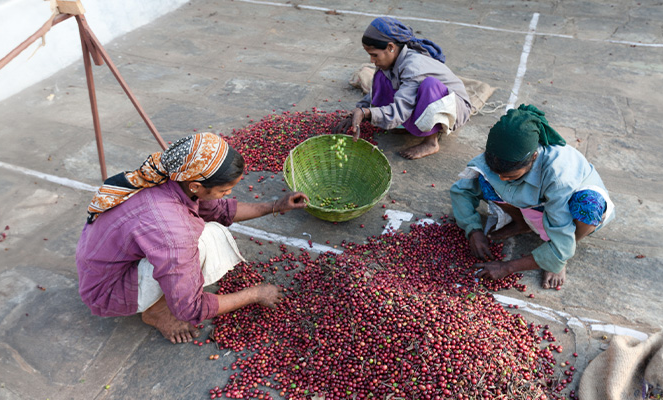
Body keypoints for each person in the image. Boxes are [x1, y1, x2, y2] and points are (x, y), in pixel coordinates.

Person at [76, 132, 309, 344]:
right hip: (107, 291)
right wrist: (255, 294)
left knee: (203, 230)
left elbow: (218, 210)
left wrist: (276, 205)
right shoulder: (171, 228)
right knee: (205, 239)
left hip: (103, 261)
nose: (228, 194)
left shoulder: (172, 175)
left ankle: (159, 293)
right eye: (223, 190)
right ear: (196, 186)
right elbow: (190, 308)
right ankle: (156, 311)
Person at [449, 105, 615, 289]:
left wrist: (507, 267)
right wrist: (473, 230)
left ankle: (565, 250)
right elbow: (462, 191)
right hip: (537, 202)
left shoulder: (559, 176)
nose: (504, 179)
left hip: (571, 204)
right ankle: (522, 224)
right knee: (486, 180)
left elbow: (562, 214)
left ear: (534, 157)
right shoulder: (500, 155)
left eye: (511, 176)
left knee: (587, 207)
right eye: (501, 174)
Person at [334, 16, 473, 160]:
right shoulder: (392, 60)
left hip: (454, 106)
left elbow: (401, 109)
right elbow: (375, 91)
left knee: (429, 85)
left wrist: (367, 113)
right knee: (382, 76)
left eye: (374, 55)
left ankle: (431, 141)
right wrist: (359, 111)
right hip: (421, 97)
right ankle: (409, 126)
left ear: (390, 47)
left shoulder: (413, 66)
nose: (372, 60)